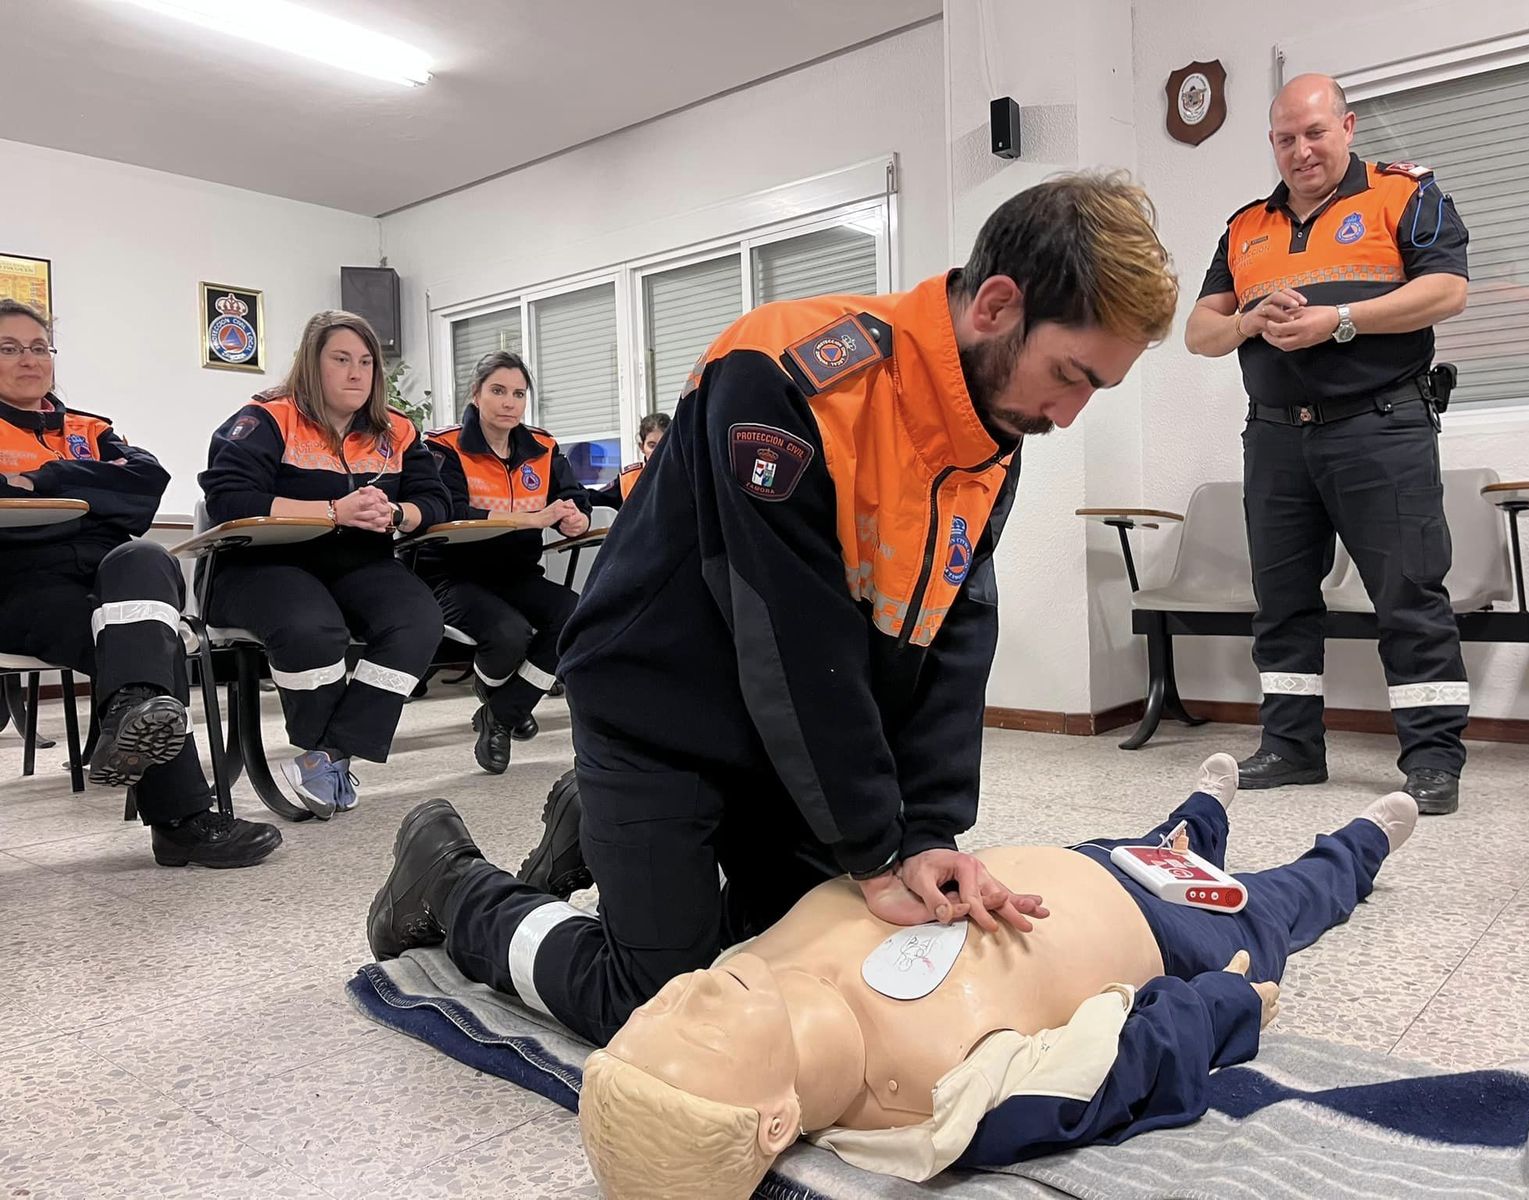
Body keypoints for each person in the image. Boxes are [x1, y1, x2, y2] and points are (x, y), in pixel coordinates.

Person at [471, 174, 1177, 1047]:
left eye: (1093, 391)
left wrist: (926, 828)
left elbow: (954, 634)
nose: (1069, 416)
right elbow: (792, 635)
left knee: (810, 971)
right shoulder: (783, 374)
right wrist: (874, 850)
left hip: (783, 744)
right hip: (658, 710)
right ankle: (457, 887)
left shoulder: (995, 434)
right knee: (666, 1010)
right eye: (1071, 376)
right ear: (996, 306)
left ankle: (605, 827)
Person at [365, 753, 1419, 1197]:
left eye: (655, 1022)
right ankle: (1365, 842)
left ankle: (1201, 804)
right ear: (775, 1125)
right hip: (1172, 934)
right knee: (1285, 896)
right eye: (690, 1037)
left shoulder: (745, 979)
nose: (684, 997)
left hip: (1065, 863)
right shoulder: (940, 1103)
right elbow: (1135, 1061)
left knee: (1175, 832)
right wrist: (1230, 1000)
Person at [1185, 73, 1471, 816]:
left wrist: (1338, 319)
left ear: (1346, 126)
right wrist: (1250, 320)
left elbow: (1446, 291)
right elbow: (1199, 333)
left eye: (1315, 132)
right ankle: (1290, 747)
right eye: (1286, 138)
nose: (1301, 150)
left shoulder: (1404, 195)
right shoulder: (1246, 226)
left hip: (1383, 427)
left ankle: (1433, 760)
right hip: (1277, 437)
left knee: (1408, 595)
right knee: (1280, 603)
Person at [0, 299, 280, 867]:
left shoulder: (89, 428)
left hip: (103, 571)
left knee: (146, 557)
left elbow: (144, 485)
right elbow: (109, 496)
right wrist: (91, 500)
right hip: (19, 578)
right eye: (9, 349)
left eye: (38, 347)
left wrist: (41, 481)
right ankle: (181, 820)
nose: (28, 359)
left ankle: (132, 714)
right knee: (148, 645)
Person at [198, 311, 450, 818]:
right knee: (312, 627)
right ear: (312, 364)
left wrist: (398, 512)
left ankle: (329, 753)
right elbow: (229, 500)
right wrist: (334, 511)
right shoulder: (267, 417)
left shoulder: (397, 431)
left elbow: (437, 501)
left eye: (366, 362)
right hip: (262, 562)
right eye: (341, 360)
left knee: (419, 620)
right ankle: (323, 750)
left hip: (357, 561)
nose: (357, 373)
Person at [419, 351, 591, 774]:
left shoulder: (544, 447)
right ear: (476, 394)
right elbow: (448, 512)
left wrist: (574, 518)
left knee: (575, 616)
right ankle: (508, 706)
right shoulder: (443, 447)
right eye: (498, 391)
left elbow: (574, 497)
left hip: (516, 573)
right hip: (454, 575)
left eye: (518, 393)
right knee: (509, 633)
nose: (509, 402)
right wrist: (531, 519)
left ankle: (500, 714)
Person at [586, 412, 669, 511]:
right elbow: (596, 499)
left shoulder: (685, 474)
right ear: (642, 447)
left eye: (663, 444)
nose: (658, 451)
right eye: (652, 446)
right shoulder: (628, 479)